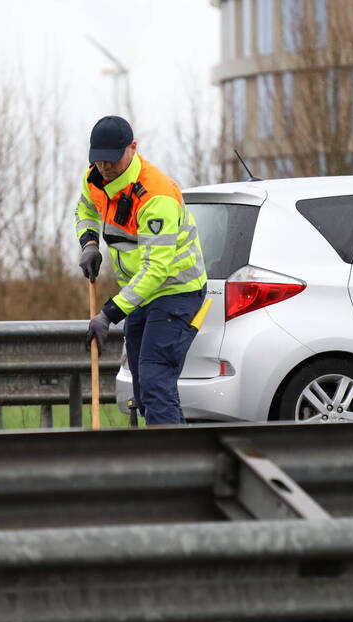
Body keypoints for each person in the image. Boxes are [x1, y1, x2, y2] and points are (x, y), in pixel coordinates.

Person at [75, 115, 207, 425]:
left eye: (111, 159)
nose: (104, 168)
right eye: (98, 160)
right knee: (142, 388)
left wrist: (108, 314)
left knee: (154, 381)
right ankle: (158, 454)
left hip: (176, 292)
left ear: (132, 148)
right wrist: (89, 243)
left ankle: (175, 466)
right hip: (141, 294)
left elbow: (156, 270)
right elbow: (84, 209)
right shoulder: (93, 178)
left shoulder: (156, 195)